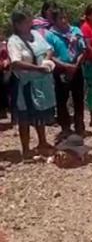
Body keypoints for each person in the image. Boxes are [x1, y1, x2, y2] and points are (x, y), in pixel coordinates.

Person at [7, 10, 56, 159]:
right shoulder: (14, 41)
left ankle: (42, 142)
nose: (30, 24)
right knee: (25, 115)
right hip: (25, 83)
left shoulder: (36, 35)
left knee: (40, 113)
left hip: (41, 81)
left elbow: (49, 49)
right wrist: (37, 68)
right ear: (17, 24)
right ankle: (26, 148)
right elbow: (15, 63)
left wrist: (46, 61)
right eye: (26, 22)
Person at [45, 7, 87, 138]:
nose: (64, 20)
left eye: (65, 17)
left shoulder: (75, 31)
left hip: (76, 68)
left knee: (78, 98)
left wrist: (75, 65)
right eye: (60, 18)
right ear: (55, 20)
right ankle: (65, 127)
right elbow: (50, 55)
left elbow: (83, 49)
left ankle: (79, 125)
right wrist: (65, 66)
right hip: (60, 70)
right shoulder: (50, 35)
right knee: (62, 100)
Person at [0, 33, 10, 119]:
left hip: (2, 71)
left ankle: (3, 110)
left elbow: (7, 56)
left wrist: (6, 61)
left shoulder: (4, 45)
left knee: (3, 91)